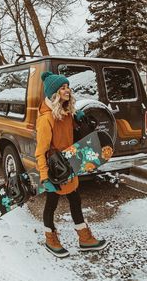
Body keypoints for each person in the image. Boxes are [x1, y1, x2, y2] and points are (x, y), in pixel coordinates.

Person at [35, 71, 108, 258]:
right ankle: (50, 238)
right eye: (63, 88)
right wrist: (44, 177)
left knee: (75, 200)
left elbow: (74, 135)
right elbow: (40, 152)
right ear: (54, 93)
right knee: (51, 204)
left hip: (69, 165)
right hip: (55, 170)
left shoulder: (67, 113)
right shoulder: (46, 119)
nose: (67, 90)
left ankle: (85, 238)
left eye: (67, 87)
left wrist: (81, 119)